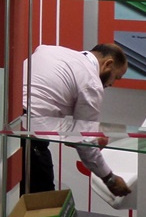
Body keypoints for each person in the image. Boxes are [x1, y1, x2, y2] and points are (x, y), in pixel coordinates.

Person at [22, 42, 132, 197]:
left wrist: (76, 137)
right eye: (116, 77)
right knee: (42, 198)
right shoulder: (91, 83)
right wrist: (109, 178)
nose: (112, 84)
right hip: (30, 137)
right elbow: (84, 141)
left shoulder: (48, 50)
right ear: (108, 64)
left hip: (6, 118)